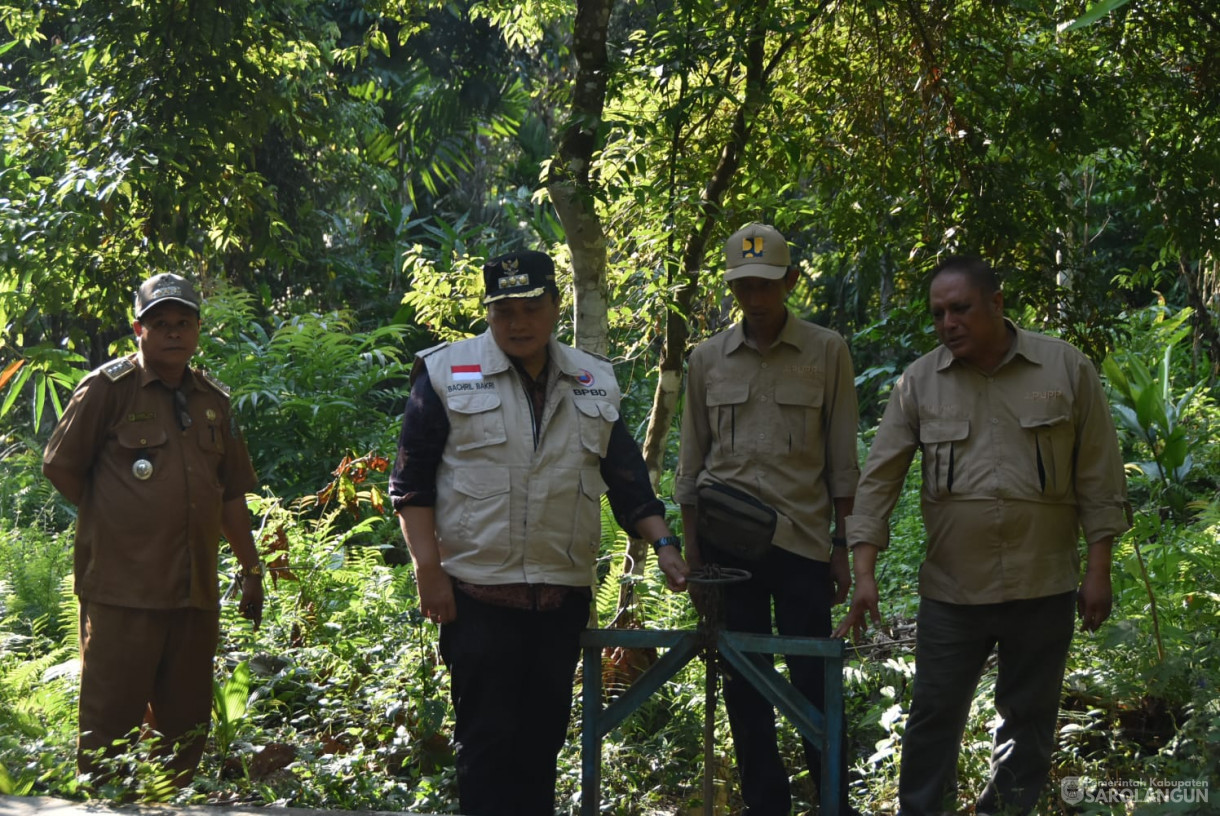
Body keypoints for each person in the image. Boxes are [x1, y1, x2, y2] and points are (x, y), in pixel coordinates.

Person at [388, 249, 689, 816]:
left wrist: (665, 543)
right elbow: (412, 482)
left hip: (560, 599)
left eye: (531, 308)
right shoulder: (445, 372)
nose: (518, 323)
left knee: (541, 746)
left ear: (555, 305)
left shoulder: (592, 378)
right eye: (504, 311)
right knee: (486, 745)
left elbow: (626, 477)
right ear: (488, 312)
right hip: (477, 596)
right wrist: (429, 572)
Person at [834, 255, 1130, 815]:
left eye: (960, 308)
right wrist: (864, 573)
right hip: (953, 591)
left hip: (1043, 585)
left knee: (1029, 721)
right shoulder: (919, 382)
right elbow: (878, 482)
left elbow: (1099, 475)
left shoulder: (1064, 369)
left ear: (996, 302)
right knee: (933, 718)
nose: (948, 323)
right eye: (939, 313)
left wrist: (1099, 570)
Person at [42, 272, 264, 787]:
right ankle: (106, 802)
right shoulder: (107, 390)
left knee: (185, 727)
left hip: (194, 594)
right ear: (137, 330)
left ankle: (170, 800)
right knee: (109, 726)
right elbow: (60, 466)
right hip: (124, 590)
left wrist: (252, 569)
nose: (172, 333)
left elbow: (230, 493)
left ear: (197, 330)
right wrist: (114, 517)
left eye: (183, 323)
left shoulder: (215, 401)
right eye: (159, 323)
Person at [675, 223, 860, 816]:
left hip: (803, 544)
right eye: (743, 285)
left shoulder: (827, 351)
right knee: (744, 683)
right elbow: (690, 461)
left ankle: (832, 798)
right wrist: (693, 551)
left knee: (813, 677)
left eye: (766, 284)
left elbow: (842, 461)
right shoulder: (706, 359)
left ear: (790, 281)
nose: (754, 297)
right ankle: (766, 806)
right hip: (729, 552)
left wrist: (843, 546)